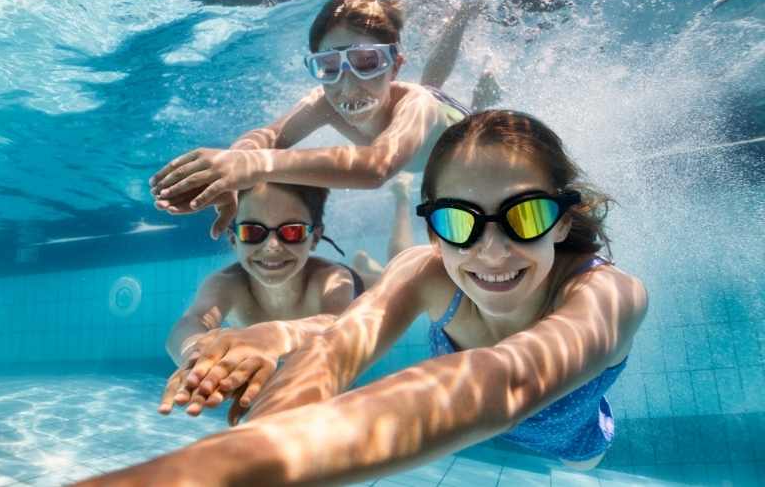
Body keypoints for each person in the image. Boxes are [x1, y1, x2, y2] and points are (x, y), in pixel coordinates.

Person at [79, 110, 647, 486]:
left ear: (562, 218)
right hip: (476, 438)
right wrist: (262, 445)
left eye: (524, 215)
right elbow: (339, 348)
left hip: (572, 450)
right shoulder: (424, 270)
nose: (492, 250)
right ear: (433, 230)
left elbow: (503, 381)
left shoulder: (609, 294)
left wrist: (216, 471)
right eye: (458, 220)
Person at [149, 0, 497, 242]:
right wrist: (236, 164)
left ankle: (483, 59)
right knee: (430, 81)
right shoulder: (325, 102)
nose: (347, 85)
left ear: (394, 66)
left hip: (463, 133)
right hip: (419, 128)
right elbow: (269, 135)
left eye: (366, 62)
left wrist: (255, 165)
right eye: (328, 67)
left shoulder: (416, 106)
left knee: (457, 100)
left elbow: (377, 165)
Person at [158, 181, 363, 417]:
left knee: (386, 277)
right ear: (234, 239)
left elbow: (339, 324)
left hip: (356, 285)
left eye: (292, 231)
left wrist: (272, 335)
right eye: (253, 232)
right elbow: (191, 322)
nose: (272, 246)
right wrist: (195, 352)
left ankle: (367, 263)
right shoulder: (228, 283)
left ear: (315, 237)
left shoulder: (330, 279)